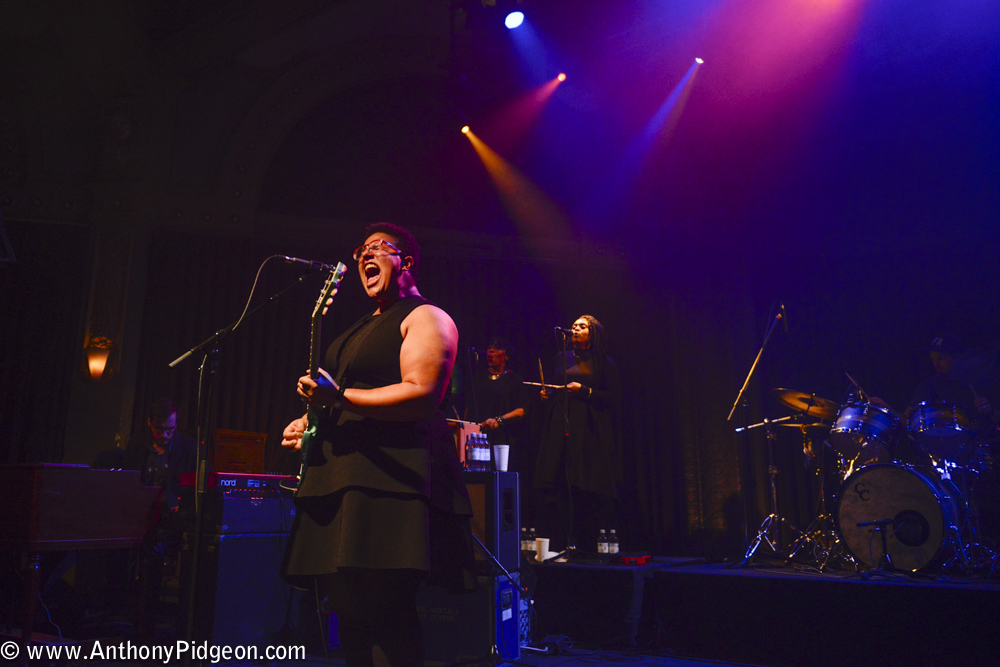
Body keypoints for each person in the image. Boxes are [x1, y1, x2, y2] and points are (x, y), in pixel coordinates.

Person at [280, 223, 474, 667]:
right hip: (341, 478)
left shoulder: (426, 316)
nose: (364, 256)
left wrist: (339, 399)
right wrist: (309, 419)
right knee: (347, 612)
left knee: (385, 609)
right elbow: (341, 398)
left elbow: (422, 392)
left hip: (390, 480)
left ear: (405, 261)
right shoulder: (360, 327)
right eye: (360, 250)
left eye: (377, 249)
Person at [534, 315, 622, 553]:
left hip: (590, 428)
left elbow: (614, 398)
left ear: (593, 333)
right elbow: (555, 388)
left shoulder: (604, 361)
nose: (575, 329)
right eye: (574, 326)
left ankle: (590, 545)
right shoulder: (561, 358)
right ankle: (561, 544)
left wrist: (585, 390)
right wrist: (547, 395)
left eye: (582, 326)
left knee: (587, 486)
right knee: (559, 485)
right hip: (561, 426)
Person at [466, 336, 528, 454]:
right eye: (490, 348)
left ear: (507, 356)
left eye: (497, 348)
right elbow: (468, 408)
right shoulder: (479, 378)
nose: (491, 351)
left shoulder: (514, 380)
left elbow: (522, 410)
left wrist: (499, 420)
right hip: (478, 437)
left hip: (504, 438)